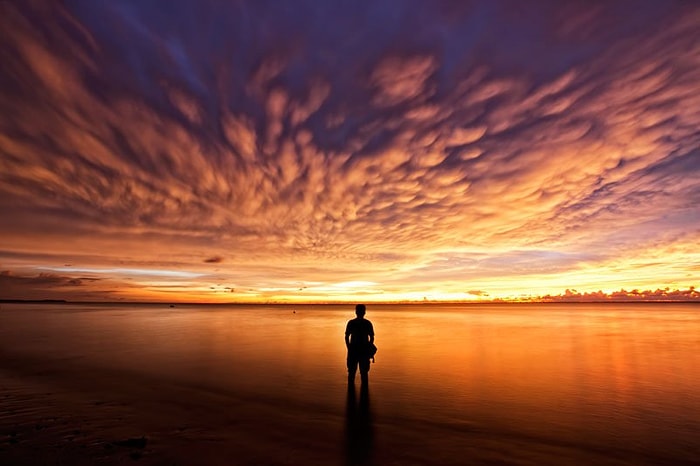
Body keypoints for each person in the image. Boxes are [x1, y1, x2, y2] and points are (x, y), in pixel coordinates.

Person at [345, 304, 374, 385]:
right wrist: (369, 347)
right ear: (364, 312)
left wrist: (349, 347)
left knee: (352, 374)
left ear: (356, 312)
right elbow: (371, 337)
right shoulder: (367, 323)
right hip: (362, 351)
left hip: (354, 350)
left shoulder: (351, 323)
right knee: (363, 374)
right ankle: (364, 395)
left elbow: (346, 336)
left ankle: (352, 394)